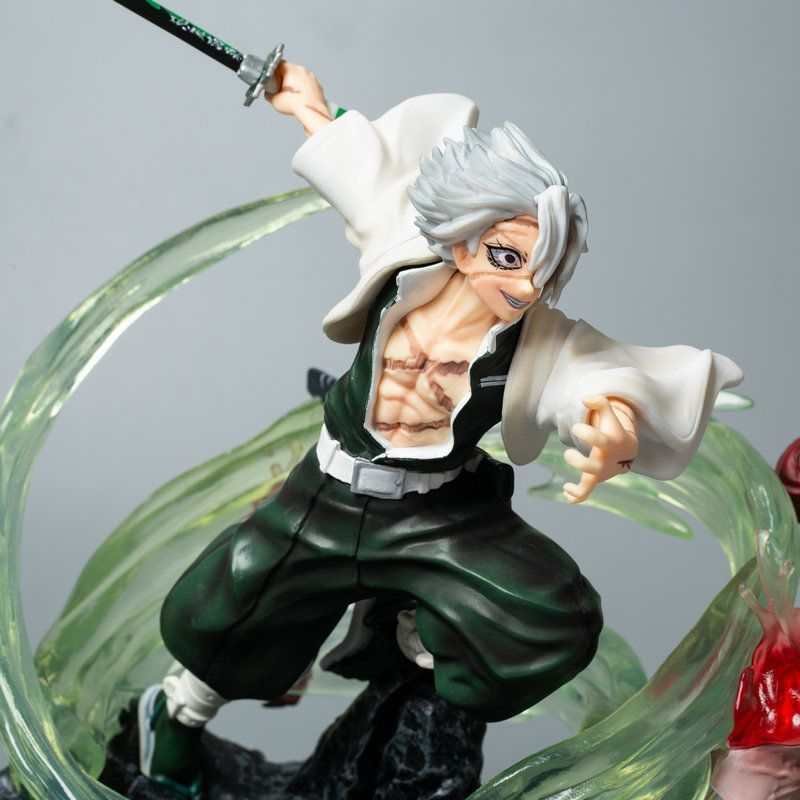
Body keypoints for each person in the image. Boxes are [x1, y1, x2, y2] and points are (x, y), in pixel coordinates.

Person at [136, 63, 743, 797]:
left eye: (543, 270)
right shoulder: (403, 253)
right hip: (328, 495)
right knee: (228, 607)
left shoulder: (537, 338)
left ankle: (420, 640)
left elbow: (596, 381)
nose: (524, 286)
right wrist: (306, 106)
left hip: (434, 514)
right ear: (462, 241)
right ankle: (174, 720)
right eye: (508, 259)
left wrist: (611, 425)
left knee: (550, 614)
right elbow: (362, 172)